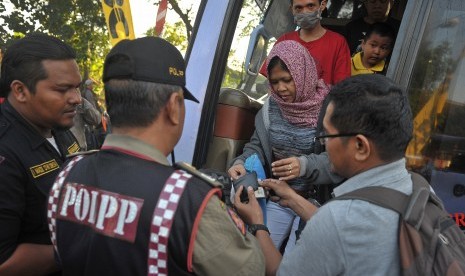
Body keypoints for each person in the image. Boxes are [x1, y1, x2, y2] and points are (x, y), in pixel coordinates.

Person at [48, 37, 265, 275]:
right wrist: (256, 224)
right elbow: (253, 269)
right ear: (173, 106)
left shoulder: (67, 173)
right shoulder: (187, 201)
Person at [236, 74, 414, 275]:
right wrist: (294, 199)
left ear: (360, 146)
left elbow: (281, 271)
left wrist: (257, 222)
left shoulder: (338, 218)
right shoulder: (420, 189)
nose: (323, 144)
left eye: (327, 135)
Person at [228, 40, 330, 254]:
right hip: (278, 198)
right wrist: (240, 163)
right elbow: (256, 145)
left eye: (287, 80)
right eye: (274, 82)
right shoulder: (270, 108)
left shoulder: (329, 108)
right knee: (257, 255)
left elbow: (339, 161)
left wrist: (304, 165)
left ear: (304, 75)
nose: (280, 89)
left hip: (316, 203)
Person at [0, 33, 82, 275]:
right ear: (21, 91)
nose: (76, 99)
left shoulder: (57, 126)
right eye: (62, 89)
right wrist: (87, 241)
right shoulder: (5, 152)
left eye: (76, 87)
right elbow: (3, 263)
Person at [260, 0, 351, 85]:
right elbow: (271, 82)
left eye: (310, 6)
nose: (305, 12)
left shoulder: (338, 42)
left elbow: (341, 87)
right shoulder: (284, 41)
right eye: (299, 8)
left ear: (322, 5)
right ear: (292, 9)